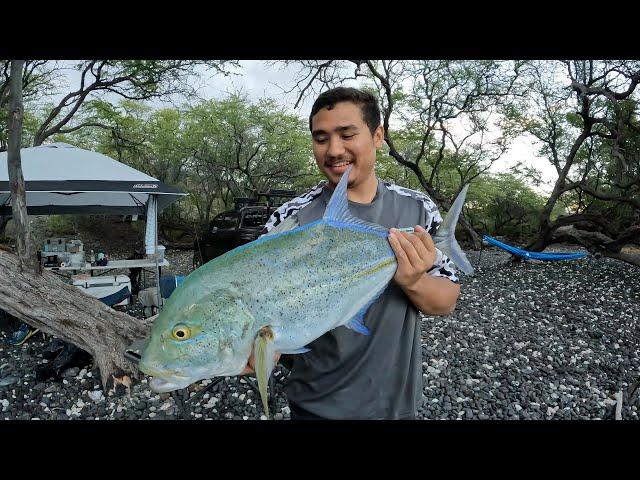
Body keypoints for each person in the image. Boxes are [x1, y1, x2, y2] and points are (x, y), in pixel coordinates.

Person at [241, 87, 461, 420]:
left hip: (396, 406)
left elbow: (445, 302)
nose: (334, 150)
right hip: (316, 406)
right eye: (321, 138)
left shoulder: (416, 209)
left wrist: (413, 280)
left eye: (347, 135)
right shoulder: (289, 220)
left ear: (377, 136)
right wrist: (258, 351)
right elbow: (260, 307)